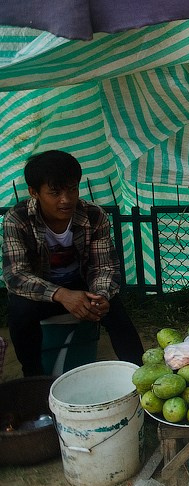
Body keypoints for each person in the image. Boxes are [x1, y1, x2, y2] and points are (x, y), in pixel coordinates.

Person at [2, 150, 145, 377]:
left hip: (83, 288)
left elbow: (104, 267)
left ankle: (141, 373)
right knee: (20, 311)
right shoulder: (17, 218)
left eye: (72, 189)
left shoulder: (93, 215)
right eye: (55, 192)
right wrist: (61, 294)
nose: (66, 200)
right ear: (34, 192)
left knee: (115, 311)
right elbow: (16, 275)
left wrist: (100, 296)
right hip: (43, 293)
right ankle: (33, 376)